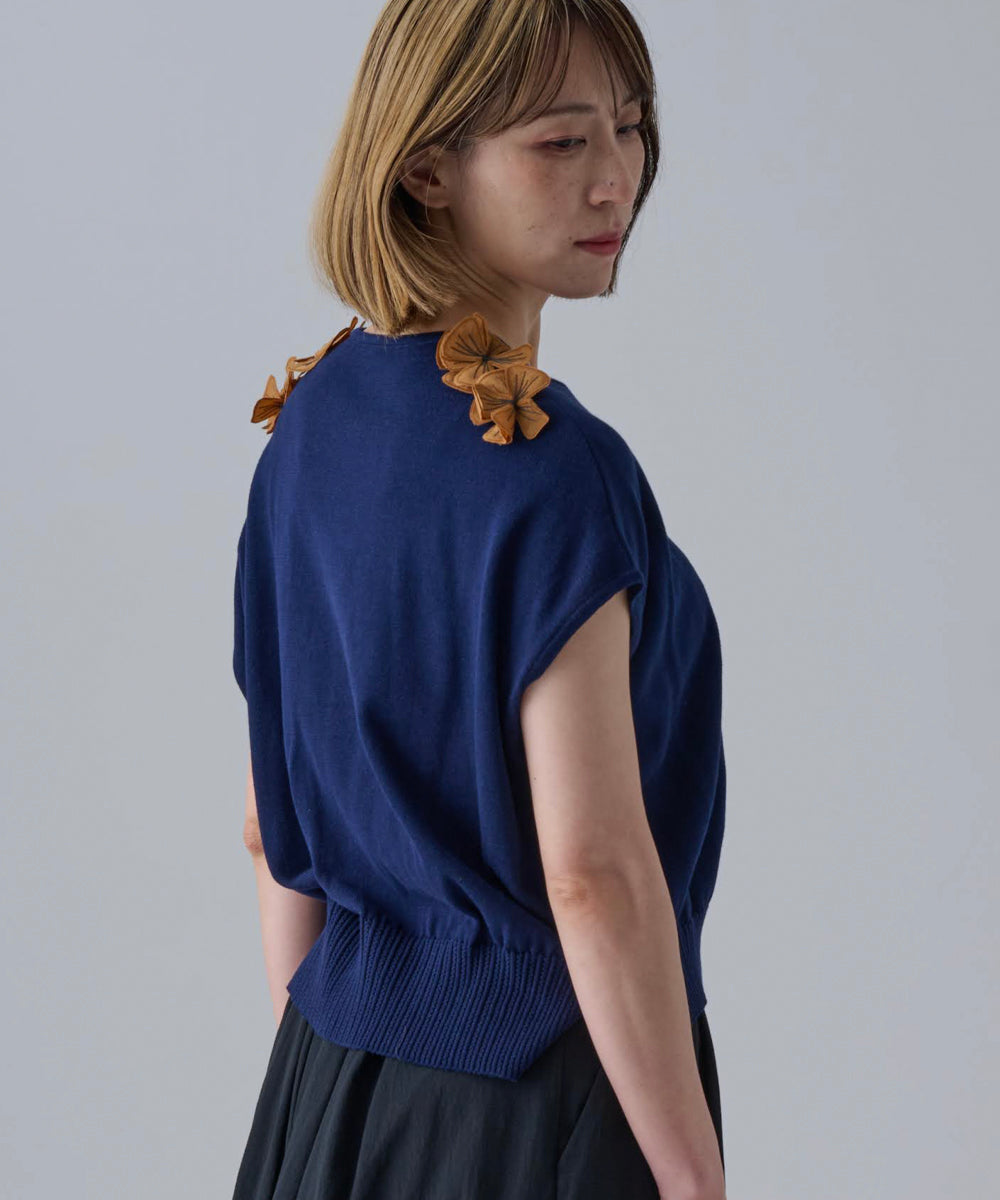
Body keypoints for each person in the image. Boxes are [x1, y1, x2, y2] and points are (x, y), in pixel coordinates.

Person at [231, 2, 728, 1197]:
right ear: (425, 170)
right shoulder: (555, 473)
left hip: (327, 1072)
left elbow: (266, 824)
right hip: (544, 1089)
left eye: (630, 126)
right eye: (560, 142)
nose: (615, 180)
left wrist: (321, 1072)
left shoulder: (310, 420)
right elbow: (590, 875)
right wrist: (693, 1178)